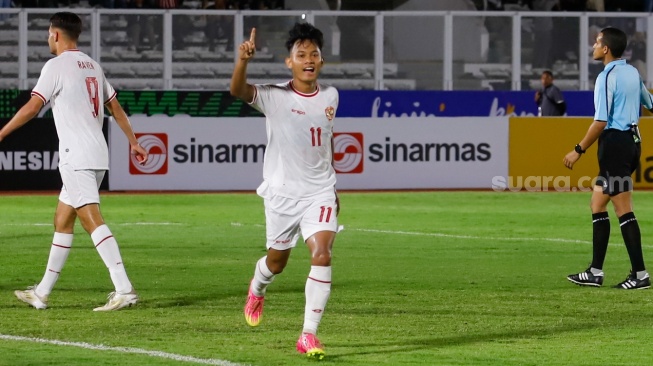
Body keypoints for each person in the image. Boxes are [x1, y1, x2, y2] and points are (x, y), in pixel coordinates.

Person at [0, 12, 148, 310]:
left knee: (91, 219)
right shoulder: (93, 66)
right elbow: (116, 108)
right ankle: (41, 292)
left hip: (76, 156)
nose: (47, 39)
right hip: (97, 154)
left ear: (56, 34)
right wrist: (133, 141)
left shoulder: (56, 66)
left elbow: (33, 106)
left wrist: (2, 132)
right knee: (62, 219)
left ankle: (124, 288)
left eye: (48, 34)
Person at [230, 23, 339, 360]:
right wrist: (242, 61)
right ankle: (257, 287)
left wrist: (333, 188)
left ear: (321, 61)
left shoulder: (331, 96)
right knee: (276, 263)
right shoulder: (275, 96)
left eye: (314, 54)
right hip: (282, 195)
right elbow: (237, 91)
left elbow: (325, 145)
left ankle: (308, 335)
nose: (308, 59)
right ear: (288, 62)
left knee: (322, 254)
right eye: (301, 55)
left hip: (320, 191)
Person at [564, 27, 653, 290]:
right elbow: (649, 103)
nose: (594, 45)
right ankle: (595, 272)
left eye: (597, 42)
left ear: (606, 49)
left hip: (615, 144)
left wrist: (577, 150)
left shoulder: (606, 76)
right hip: (631, 142)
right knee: (597, 203)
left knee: (623, 209)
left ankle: (640, 275)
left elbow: (600, 121)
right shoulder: (632, 72)